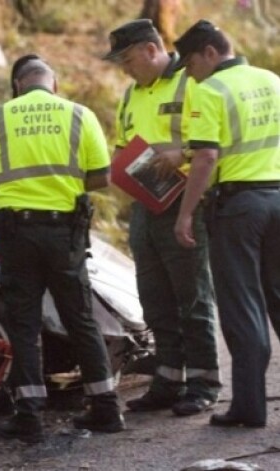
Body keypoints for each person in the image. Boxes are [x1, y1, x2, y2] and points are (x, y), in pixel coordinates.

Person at [0, 54, 125, 442]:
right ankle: (106, 407)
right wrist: (61, 185)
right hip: (64, 234)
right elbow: (102, 177)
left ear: (18, 85)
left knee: (24, 323)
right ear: (53, 84)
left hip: (17, 233)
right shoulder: (79, 115)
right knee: (81, 318)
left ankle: (30, 416)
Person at [102, 19, 221, 416]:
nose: (124, 68)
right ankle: (169, 381)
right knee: (154, 297)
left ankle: (204, 382)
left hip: (186, 203)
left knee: (192, 296)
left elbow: (214, 140)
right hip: (145, 206)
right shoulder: (130, 95)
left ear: (151, 49)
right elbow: (123, 146)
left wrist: (183, 154)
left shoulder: (192, 83)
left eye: (127, 58)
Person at [173, 19, 280, 427]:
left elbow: (205, 157)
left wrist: (185, 214)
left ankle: (250, 408)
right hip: (278, 198)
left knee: (243, 308)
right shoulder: (272, 79)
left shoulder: (211, 90)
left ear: (210, 53)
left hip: (240, 208)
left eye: (189, 63)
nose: (188, 73)